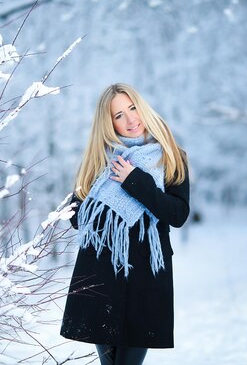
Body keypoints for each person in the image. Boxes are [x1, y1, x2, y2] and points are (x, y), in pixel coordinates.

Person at [60, 83, 190, 365]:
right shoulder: (101, 159)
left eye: (132, 108)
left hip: (145, 278)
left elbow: (178, 214)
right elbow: (76, 216)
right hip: (100, 276)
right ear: (108, 123)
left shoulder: (170, 156)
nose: (130, 119)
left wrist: (134, 181)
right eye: (118, 115)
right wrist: (97, 193)